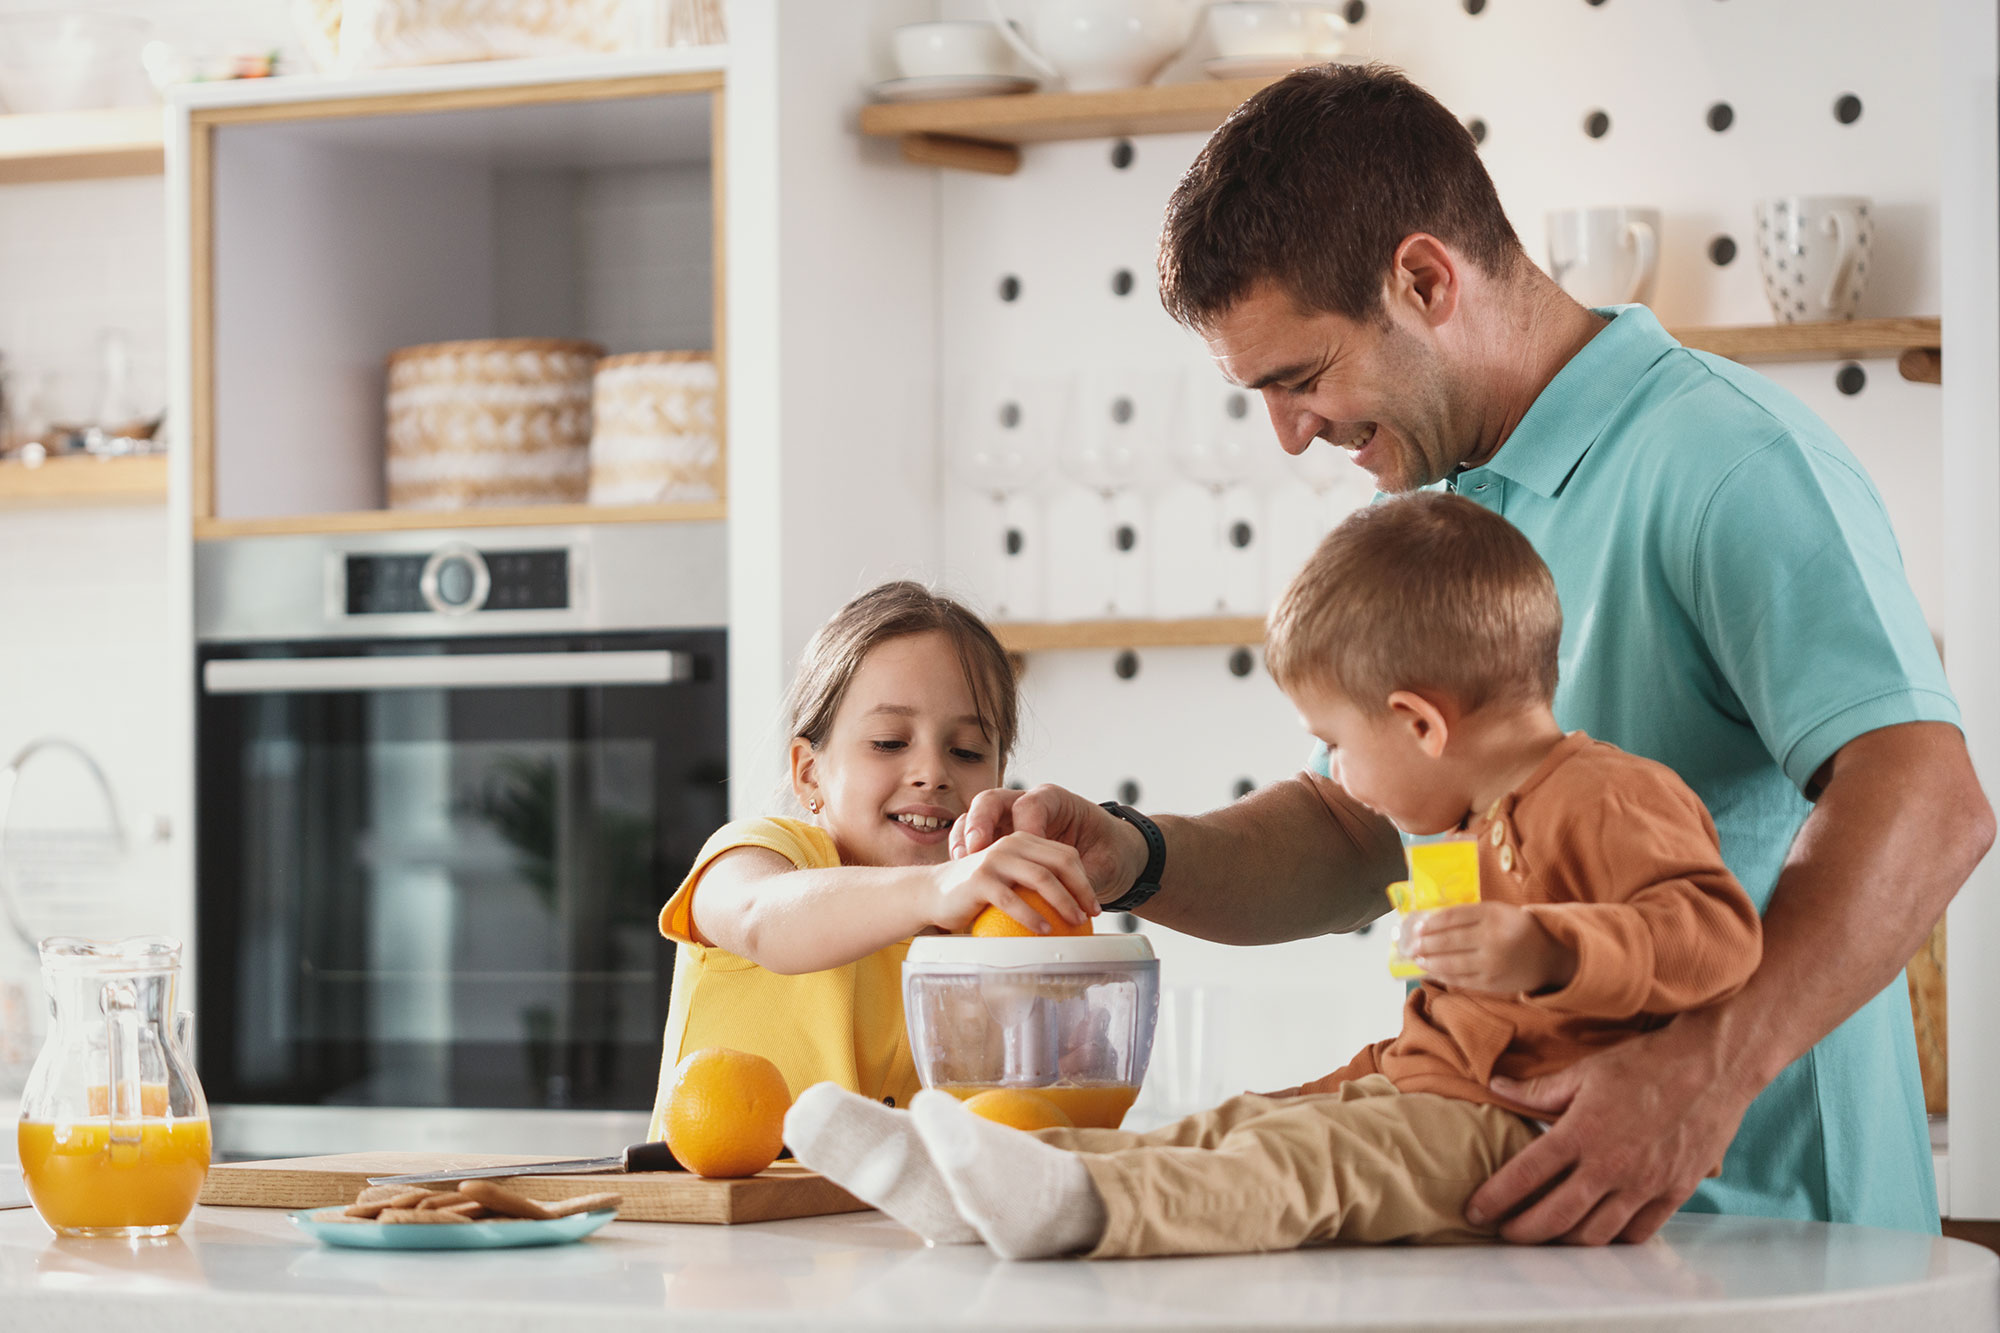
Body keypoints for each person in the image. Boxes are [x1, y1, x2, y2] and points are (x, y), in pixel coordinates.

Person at [953, 63, 1993, 1243]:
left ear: (1422, 278)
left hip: (1772, 1240)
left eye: (1300, 378)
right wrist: (1130, 854)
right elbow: (1359, 833)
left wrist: (1700, 1074)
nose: (1290, 432)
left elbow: (1927, 800)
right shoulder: (1442, 512)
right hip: (1524, 1233)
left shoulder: (1722, 461)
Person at [787, 494, 1763, 1259]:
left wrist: (1549, 946)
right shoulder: (1468, 814)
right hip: (1435, 1090)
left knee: (1300, 1167)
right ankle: (977, 1190)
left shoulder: (1609, 796)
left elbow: (1714, 931)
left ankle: (1077, 1208)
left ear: (1419, 723)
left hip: (1519, 1123)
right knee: (1243, 1122)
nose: (1336, 774)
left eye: (1335, 743)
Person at [646, 581, 1096, 1140]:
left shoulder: (992, 937)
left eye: (967, 752)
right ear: (809, 772)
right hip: (718, 1228)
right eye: (888, 742)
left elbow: (989, 1145)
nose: (932, 772)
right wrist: (935, 887)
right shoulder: (759, 853)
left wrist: (1059, 1077)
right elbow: (762, 919)